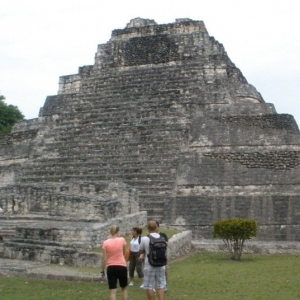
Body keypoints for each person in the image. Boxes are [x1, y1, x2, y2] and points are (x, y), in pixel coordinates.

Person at [139, 220, 166, 300]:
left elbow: (140, 250)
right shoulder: (162, 238)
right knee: (161, 284)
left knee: (149, 286)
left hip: (149, 265)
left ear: (147, 228)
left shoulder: (145, 239)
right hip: (161, 264)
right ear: (156, 227)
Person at [101, 225, 128, 300]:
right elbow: (124, 253)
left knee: (113, 290)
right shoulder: (122, 240)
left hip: (111, 267)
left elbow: (104, 258)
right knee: (124, 288)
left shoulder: (105, 243)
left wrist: (102, 270)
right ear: (117, 232)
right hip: (122, 266)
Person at [156, 221, 168, 291]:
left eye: (156, 226)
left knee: (164, 270)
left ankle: (164, 285)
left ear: (158, 227)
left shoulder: (163, 235)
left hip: (162, 255)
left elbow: (166, 243)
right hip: (153, 256)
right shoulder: (149, 236)